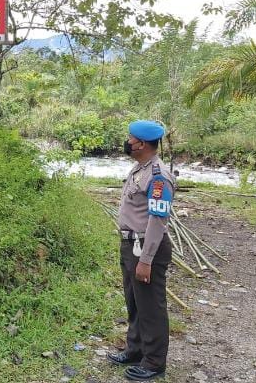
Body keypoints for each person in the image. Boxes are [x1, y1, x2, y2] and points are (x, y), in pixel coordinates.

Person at [108, 120, 174, 381]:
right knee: (134, 302)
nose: (127, 142)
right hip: (130, 244)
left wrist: (145, 260)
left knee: (151, 307)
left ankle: (155, 362)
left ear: (142, 144)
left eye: (130, 139)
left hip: (147, 247)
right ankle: (135, 350)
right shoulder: (139, 169)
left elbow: (158, 221)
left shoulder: (158, 177)